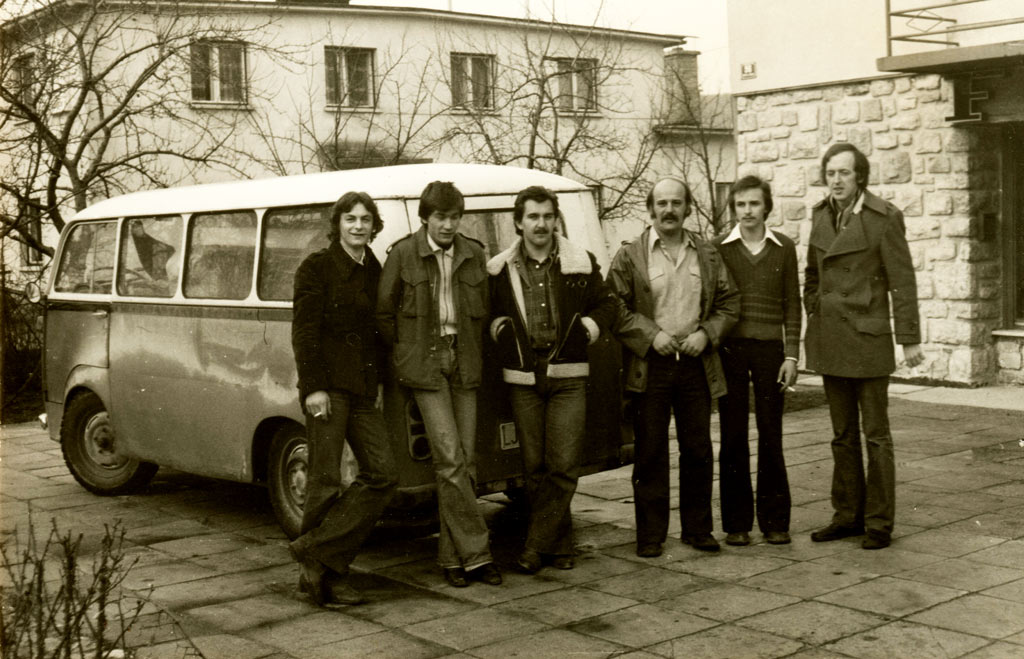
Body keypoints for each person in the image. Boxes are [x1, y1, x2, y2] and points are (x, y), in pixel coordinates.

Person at [376, 181, 502, 587]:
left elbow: (486, 309)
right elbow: (384, 314)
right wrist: (406, 355)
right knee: (449, 459)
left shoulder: (474, 253)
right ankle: (478, 555)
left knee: (465, 461)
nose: (448, 225)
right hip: (426, 366)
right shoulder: (403, 254)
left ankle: (451, 557)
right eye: (441, 217)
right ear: (425, 218)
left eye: (455, 217)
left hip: (464, 360)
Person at [486, 186, 618, 574]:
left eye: (547, 216)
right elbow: (487, 315)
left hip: (569, 375)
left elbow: (608, 303)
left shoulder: (580, 262)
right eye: (533, 216)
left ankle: (534, 547)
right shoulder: (498, 269)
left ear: (555, 219)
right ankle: (559, 546)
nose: (541, 224)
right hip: (523, 378)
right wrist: (500, 330)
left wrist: (587, 329)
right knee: (534, 467)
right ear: (518, 222)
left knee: (563, 464)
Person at [609, 176, 739, 557]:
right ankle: (650, 535)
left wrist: (707, 334)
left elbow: (730, 303)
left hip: (695, 363)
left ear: (688, 208)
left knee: (697, 448)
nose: (669, 210)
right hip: (651, 365)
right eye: (662, 203)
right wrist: (650, 336)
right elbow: (613, 306)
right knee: (650, 450)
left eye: (676, 203)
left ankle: (698, 529)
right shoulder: (630, 256)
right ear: (651, 209)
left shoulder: (708, 254)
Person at [804, 143, 924, 550]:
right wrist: (816, 306)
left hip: (868, 339)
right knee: (842, 435)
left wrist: (909, 338)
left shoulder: (884, 217)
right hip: (831, 339)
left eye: (844, 173)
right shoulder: (821, 215)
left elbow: (902, 281)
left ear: (860, 176)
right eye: (830, 173)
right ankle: (847, 516)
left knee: (876, 435)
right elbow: (812, 275)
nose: (836, 180)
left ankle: (879, 523)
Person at [289, 191, 398, 607]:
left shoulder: (375, 268)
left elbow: (379, 331)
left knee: (383, 474)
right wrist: (313, 387)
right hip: (329, 388)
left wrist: (381, 382)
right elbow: (304, 332)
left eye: (365, 219)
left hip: (364, 389)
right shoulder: (316, 267)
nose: (358, 226)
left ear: (374, 225)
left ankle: (313, 550)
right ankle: (324, 577)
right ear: (337, 224)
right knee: (324, 479)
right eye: (350, 218)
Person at [713, 176, 800, 547]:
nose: (747, 211)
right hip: (730, 350)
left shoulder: (784, 247)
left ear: (767, 207)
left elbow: (792, 303)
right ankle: (736, 524)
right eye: (740, 204)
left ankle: (775, 521)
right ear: (733, 208)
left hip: (770, 352)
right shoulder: (719, 248)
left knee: (771, 433)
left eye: (754, 203)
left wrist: (791, 354)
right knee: (732, 435)